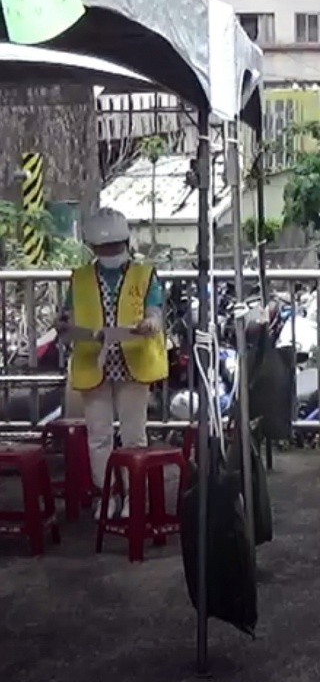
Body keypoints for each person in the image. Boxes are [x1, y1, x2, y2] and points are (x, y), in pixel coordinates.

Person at [57, 208, 166, 520]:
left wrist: (150, 323)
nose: (110, 253)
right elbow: (69, 315)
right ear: (92, 248)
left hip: (134, 362)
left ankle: (134, 497)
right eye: (104, 248)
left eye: (115, 246)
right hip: (95, 362)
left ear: (126, 243)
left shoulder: (144, 274)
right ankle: (108, 496)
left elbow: (155, 311)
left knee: (134, 435)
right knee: (99, 436)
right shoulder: (79, 279)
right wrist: (64, 324)